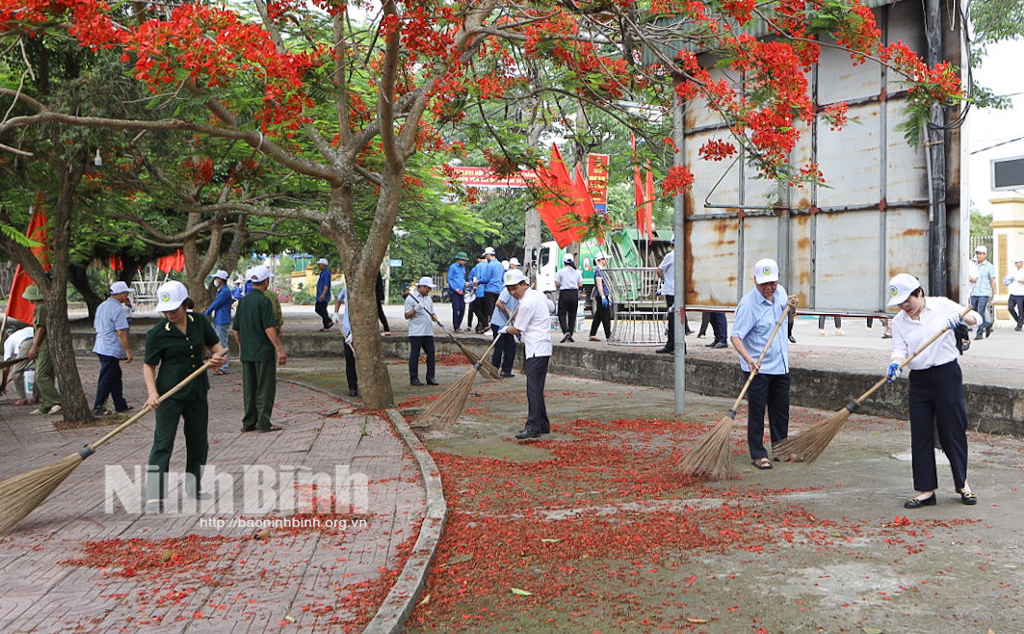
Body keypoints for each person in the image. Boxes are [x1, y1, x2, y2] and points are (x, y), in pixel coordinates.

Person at [884, 273, 981, 508]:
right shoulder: (899, 321)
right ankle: (926, 490)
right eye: (900, 303)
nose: (904, 307)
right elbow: (899, 348)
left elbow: (976, 317)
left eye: (908, 301)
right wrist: (896, 362)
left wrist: (960, 319)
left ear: (919, 293)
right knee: (921, 434)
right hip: (919, 380)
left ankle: (963, 484)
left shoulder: (942, 305)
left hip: (946, 374)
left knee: (952, 430)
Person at [143, 281, 227, 511]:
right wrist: (152, 393)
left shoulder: (199, 322)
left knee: (198, 440)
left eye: (174, 309)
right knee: (163, 442)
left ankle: (194, 486)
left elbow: (217, 348)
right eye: (165, 310)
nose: (169, 314)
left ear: (184, 304)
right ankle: (154, 494)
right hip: (169, 394)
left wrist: (218, 359)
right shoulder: (157, 334)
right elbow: (148, 366)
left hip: (197, 391)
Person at [730, 258, 799, 470]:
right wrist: (748, 358)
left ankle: (781, 449)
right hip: (757, 367)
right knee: (758, 411)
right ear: (755, 281)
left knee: (780, 410)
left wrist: (793, 310)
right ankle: (758, 453)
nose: (769, 288)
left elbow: (788, 323)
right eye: (764, 284)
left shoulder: (781, 295)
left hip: (780, 364)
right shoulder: (749, 305)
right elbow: (735, 337)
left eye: (772, 283)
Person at [232, 265, 288, 433]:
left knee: (249, 388)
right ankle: (264, 422)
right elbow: (269, 328)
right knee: (265, 387)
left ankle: (249, 422)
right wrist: (279, 349)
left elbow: (236, 330)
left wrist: (242, 346)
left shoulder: (243, 302)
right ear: (266, 282)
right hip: (263, 352)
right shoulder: (264, 301)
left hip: (247, 353)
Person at [503, 269, 553, 439]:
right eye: (509, 289)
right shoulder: (537, 296)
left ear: (524, 284)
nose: (512, 292)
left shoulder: (526, 303)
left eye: (515, 288)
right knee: (537, 387)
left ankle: (533, 425)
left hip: (536, 348)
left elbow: (517, 328)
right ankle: (543, 424)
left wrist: (505, 329)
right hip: (542, 347)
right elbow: (551, 306)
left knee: (533, 388)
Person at [92, 281, 135, 416]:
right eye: (125, 293)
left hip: (101, 345)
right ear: (120, 294)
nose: (126, 296)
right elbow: (121, 332)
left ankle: (120, 403)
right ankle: (99, 405)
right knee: (107, 377)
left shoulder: (102, 306)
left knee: (115, 375)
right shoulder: (117, 309)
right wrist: (127, 350)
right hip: (110, 347)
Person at [23, 285, 62, 415]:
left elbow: (41, 329)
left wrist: (34, 347)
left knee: (41, 375)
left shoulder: (41, 308)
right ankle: (46, 404)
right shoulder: (43, 306)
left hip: (45, 346)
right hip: (45, 346)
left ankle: (56, 401)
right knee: (47, 375)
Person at [405, 277, 439, 386]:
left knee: (431, 354)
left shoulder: (428, 299)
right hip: (416, 332)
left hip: (428, 331)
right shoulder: (411, 299)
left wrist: (436, 318)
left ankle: (430, 377)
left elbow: (432, 313)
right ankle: (413, 378)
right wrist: (416, 309)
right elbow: (406, 315)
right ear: (422, 287)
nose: (429, 290)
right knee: (415, 355)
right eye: (427, 288)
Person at [203, 269, 234, 375]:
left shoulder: (225, 291)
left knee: (222, 343)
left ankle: (224, 366)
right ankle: (221, 365)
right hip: (219, 319)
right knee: (219, 342)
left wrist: (207, 312)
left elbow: (216, 303)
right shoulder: (222, 290)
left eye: (217, 278)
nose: (215, 280)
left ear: (222, 280)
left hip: (222, 320)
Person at [332, 286, 359, 397]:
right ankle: (352, 387)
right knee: (349, 360)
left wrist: (356, 332)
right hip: (347, 330)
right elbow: (338, 298)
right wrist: (336, 312)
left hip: (359, 331)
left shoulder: (364, 289)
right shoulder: (347, 288)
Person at [489, 279, 519, 378]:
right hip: (498, 323)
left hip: (508, 324)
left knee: (511, 347)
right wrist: (508, 312)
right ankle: (494, 370)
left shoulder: (519, 295)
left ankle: (506, 370)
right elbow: (498, 303)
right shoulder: (507, 291)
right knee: (499, 347)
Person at [1, 326, 35, 405]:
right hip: (41, 340)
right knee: (39, 370)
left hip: (27, 343)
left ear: (9, 334)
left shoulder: (9, 339)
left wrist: (4, 383)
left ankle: (22, 399)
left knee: (16, 372)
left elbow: (6, 364)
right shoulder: (25, 330)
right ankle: (36, 397)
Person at [968, 245, 995, 339]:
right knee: (974, 312)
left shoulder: (989, 266)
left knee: (981, 312)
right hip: (974, 292)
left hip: (984, 292)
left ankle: (979, 333)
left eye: (981, 254)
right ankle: (987, 323)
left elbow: (993, 281)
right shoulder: (973, 265)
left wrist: (995, 295)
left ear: (985, 255)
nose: (979, 256)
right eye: (977, 254)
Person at [554, 254, 583, 343]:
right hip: (574, 294)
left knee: (561, 313)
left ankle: (565, 331)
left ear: (564, 262)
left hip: (564, 293)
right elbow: (580, 284)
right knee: (572, 314)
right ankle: (570, 332)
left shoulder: (561, 272)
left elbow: (557, 283)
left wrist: (562, 283)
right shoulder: (577, 272)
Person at [655, 240, 677, 353]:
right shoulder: (685, 255)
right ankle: (678, 345)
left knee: (672, 319)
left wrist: (664, 279)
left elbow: (659, 270)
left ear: (671, 245)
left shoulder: (670, 255)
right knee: (679, 320)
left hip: (671, 291)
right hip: (680, 292)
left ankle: (672, 345)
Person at [588, 252, 613, 342]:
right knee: (606, 316)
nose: (606, 261)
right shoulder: (599, 271)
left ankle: (592, 334)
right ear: (599, 260)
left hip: (603, 295)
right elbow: (599, 284)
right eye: (604, 259)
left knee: (598, 316)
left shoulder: (601, 270)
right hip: (602, 295)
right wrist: (602, 296)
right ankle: (608, 335)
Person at [481, 246, 504, 327]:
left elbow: (485, 279)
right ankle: (499, 324)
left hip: (489, 290)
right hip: (498, 290)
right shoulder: (500, 265)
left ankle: (493, 326)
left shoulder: (489, 265)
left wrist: (478, 281)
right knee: (497, 309)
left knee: (490, 310)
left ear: (488, 255)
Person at [447, 252, 469, 333]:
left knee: (462, 309)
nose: (464, 262)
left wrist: (465, 283)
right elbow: (449, 279)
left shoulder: (463, 268)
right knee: (456, 309)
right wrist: (455, 289)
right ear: (459, 259)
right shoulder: (452, 267)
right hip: (455, 292)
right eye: (463, 260)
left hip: (462, 291)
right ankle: (456, 327)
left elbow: (462, 278)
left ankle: (459, 324)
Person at [469, 253, 489, 333]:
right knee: (484, 310)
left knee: (476, 308)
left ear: (478, 259)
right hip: (488, 291)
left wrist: (473, 289)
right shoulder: (489, 265)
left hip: (479, 291)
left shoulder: (478, 266)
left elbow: (476, 280)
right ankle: (482, 327)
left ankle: (485, 324)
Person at [1004, 256, 1024, 332]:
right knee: (1010, 308)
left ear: (1021, 263)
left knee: (1020, 309)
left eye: (1017, 262)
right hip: (1013, 293)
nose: (1016, 264)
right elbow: (1009, 279)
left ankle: (1019, 325)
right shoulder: (1013, 271)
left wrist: (1017, 280)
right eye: (1015, 263)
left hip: (1021, 293)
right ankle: (1019, 320)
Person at [314, 257, 333, 331]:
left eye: (320, 264)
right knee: (318, 309)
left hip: (323, 295)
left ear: (324, 265)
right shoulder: (322, 273)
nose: (319, 266)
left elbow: (326, 284)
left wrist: (323, 294)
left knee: (322, 309)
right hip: (319, 294)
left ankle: (327, 324)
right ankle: (327, 323)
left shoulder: (327, 273)